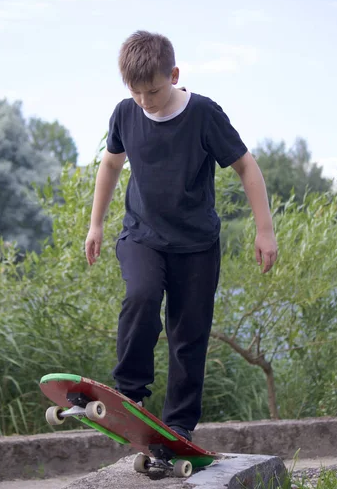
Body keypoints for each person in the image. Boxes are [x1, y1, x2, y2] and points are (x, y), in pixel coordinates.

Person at [85, 30, 277, 442]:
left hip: (196, 246)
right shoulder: (124, 114)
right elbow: (111, 165)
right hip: (142, 235)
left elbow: (247, 167)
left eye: (151, 91)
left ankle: (178, 426)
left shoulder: (204, 114)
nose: (144, 101)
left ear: (173, 74)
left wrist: (264, 231)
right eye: (135, 92)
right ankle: (129, 394)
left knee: (188, 336)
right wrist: (95, 223)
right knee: (141, 295)